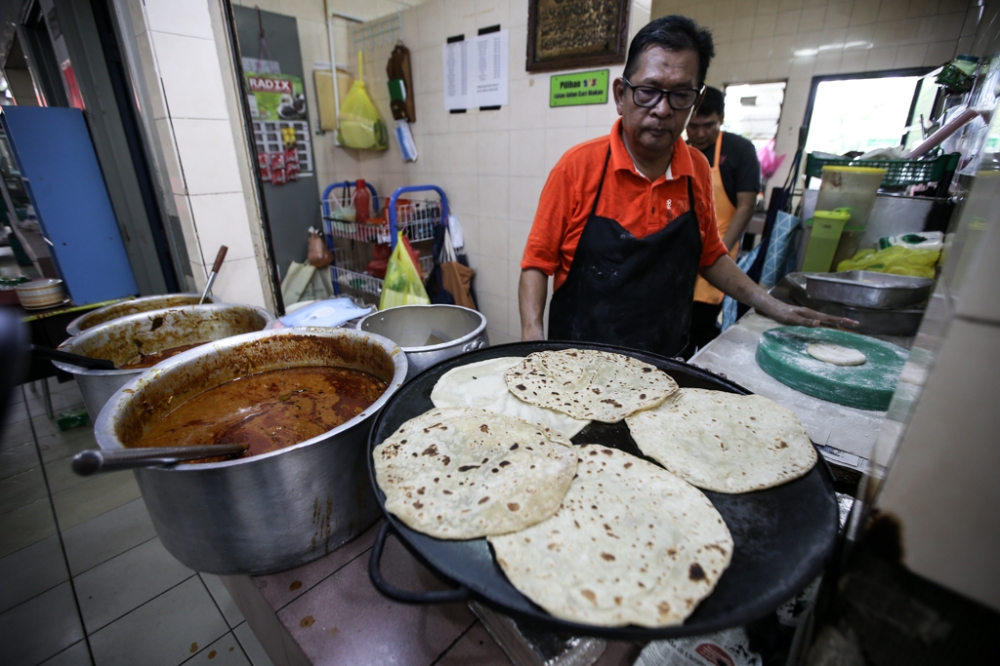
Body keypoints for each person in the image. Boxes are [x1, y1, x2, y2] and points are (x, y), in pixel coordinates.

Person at [517, 15, 851, 357]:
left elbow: (710, 257)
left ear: (696, 98)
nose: (662, 109)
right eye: (648, 91)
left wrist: (768, 303)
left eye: (680, 95)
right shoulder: (577, 167)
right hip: (577, 360)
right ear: (621, 95)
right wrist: (533, 340)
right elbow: (537, 263)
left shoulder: (697, 169)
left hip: (663, 360)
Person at [683, 86, 762, 357]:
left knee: (702, 323)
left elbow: (747, 204)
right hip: (683, 252)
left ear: (722, 118)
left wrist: (722, 251)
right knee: (680, 325)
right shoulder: (678, 151)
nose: (700, 133)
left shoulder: (739, 149)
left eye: (709, 125)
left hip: (719, 249)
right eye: (693, 126)